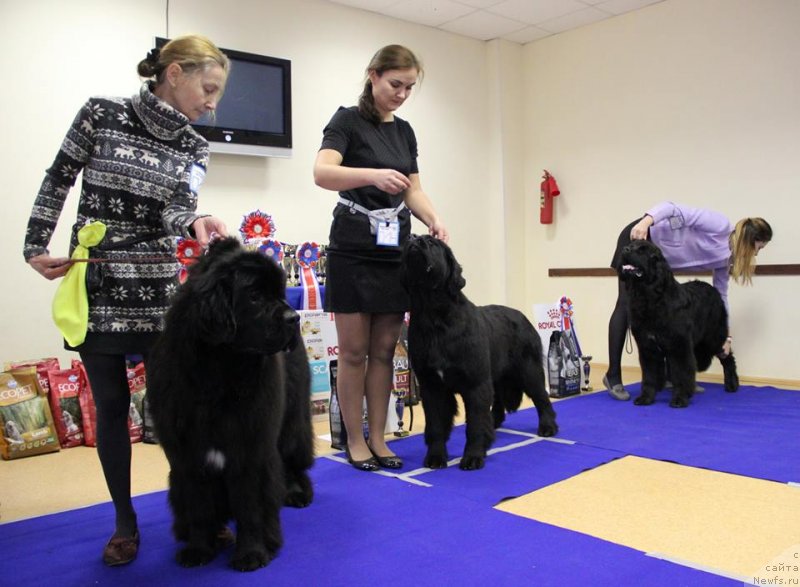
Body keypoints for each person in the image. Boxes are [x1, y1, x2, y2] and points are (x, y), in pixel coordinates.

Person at [23, 35, 230, 565]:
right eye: (208, 89)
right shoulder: (101, 113)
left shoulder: (194, 144)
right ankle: (124, 522)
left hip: (161, 291)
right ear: (176, 72)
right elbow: (58, 177)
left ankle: (199, 510)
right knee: (112, 409)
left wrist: (195, 220)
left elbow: (176, 209)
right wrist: (35, 244)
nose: (213, 104)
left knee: (182, 411)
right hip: (101, 285)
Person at [313, 45, 448, 471]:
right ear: (373, 76)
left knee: (385, 352)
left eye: (409, 87)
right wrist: (371, 174)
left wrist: (433, 219)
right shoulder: (346, 121)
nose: (402, 93)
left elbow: (412, 188)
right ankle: (354, 439)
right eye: (395, 84)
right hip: (353, 248)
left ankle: (379, 437)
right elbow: (322, 172)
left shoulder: (405, 132)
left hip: (395, 251)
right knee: (354, 352)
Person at [604, 201, 772, 400]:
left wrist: (726, 337)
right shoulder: (719, 225)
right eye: (758, 248)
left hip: (659, 257)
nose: (756, 253)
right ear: (750, 239)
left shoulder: (726, 259)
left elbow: (721, 296)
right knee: (625, 304)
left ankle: (669, 376)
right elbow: (674, 208)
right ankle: (612, 375)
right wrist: (645, 222)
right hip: (642, 236)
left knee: (667, 314)